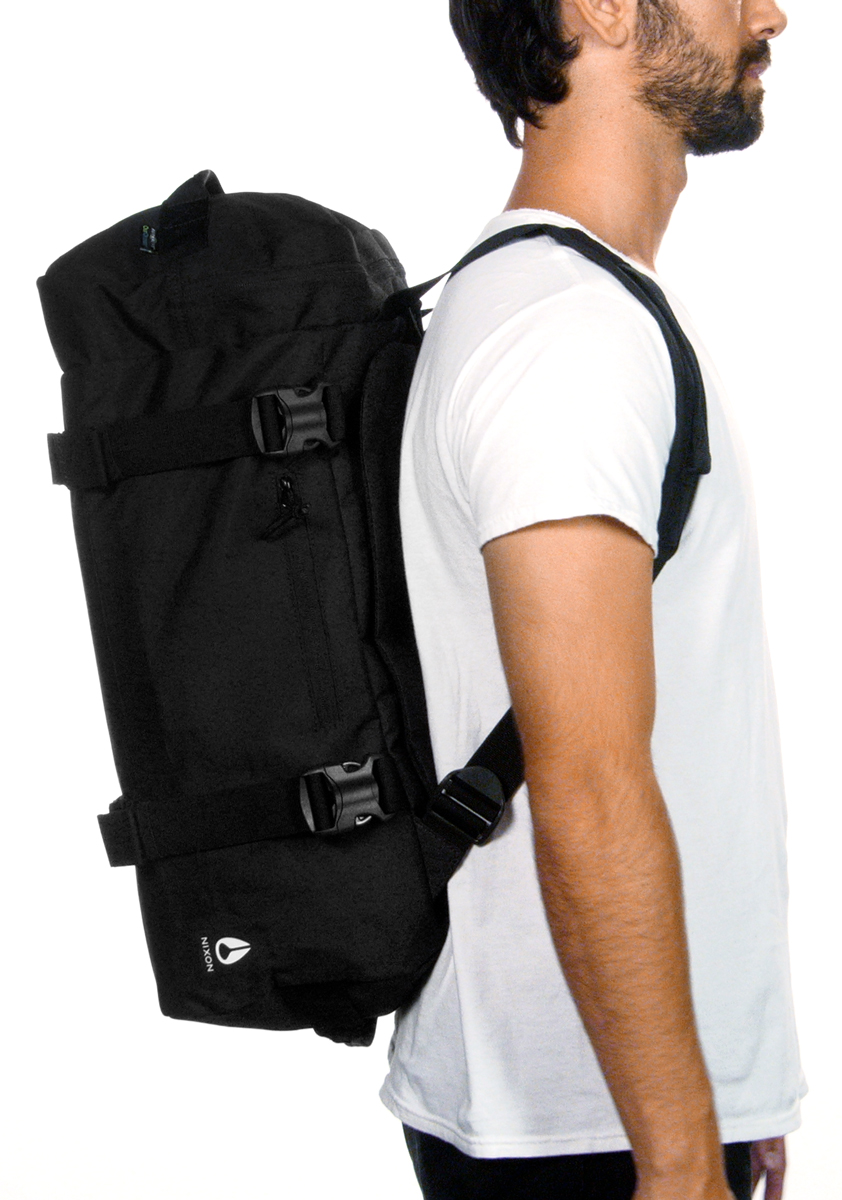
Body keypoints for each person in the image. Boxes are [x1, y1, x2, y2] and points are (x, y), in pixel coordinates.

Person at [379, 1, 805, 1198]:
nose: (768, 14)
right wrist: (677, 1158)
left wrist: (727, 1087)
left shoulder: (579, 305)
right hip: (583, 1131)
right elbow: (587, 785)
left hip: (607, 1107)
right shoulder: (566, 335)